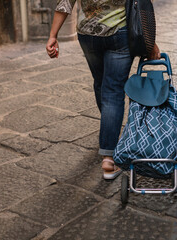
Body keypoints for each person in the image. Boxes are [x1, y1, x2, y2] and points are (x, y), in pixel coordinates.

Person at [46, 0, 160, 180]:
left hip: (87, 35)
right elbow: (143, 5)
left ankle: (108, 130)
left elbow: (65, 3)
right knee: (113, 93)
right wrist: (150, 41)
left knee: (100, 84)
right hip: (119, 34)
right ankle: (109, 157)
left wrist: (53, 35)